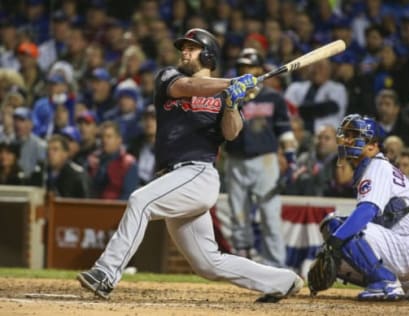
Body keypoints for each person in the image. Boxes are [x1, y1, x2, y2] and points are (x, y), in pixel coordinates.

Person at [77, 28, 303, 303]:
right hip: (175, 177)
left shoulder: (224, 94)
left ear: (208, 54)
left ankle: (106, 274)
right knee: (208, 263)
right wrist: (232, 82)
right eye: (183, 47)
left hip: (198, 173)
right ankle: (284, 281)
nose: (184, 51)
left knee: (140, 201)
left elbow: (232, 133)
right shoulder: (169, 77)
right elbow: (188, 88)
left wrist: (231, 104)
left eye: (192, 48)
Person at [308, 114, 409, 301]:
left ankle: (386, 282)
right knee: (335, 232)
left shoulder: (377, 167)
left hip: (407, 246)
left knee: (337, 229)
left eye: (354, 136)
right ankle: (399, 285)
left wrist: (334, 242)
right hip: (403, 244)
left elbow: (366, 212)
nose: (348, 140)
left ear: (372, 146)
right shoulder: (374, 167)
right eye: (346, 135)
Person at [223, 47, 295, 267]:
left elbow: (285, 129)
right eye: (242, 67)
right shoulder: (230, 96)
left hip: (265, 161)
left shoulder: (273, 97)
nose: (246, 71)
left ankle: (276, 265)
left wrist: (291, 158)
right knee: (238, 216)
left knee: (270, 216)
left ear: (260, 69)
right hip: (234, 160)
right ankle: (242, 263)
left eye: (251, 67)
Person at [86, 121, 139, 200]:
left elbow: (128, 196)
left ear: (119, 140)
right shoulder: (93, 160)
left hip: (115, 209)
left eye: (109, 137)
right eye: (102, 137)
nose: (104, 140)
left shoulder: (129, 163)